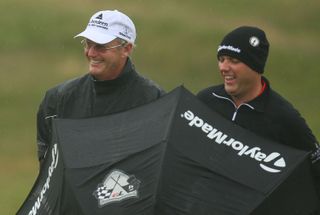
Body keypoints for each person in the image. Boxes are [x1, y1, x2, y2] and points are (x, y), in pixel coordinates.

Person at [197, 26, 320, 211]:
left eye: (233, 60)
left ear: (255, 66)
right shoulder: (206, 100)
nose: (224, 67)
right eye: (221, 59)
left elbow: (315, 168)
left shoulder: (283, 117)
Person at [36, 9, 165, 163]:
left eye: (100, 46)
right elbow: (49, 169)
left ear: (126, 49)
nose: (91, 53)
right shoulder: (57, 99)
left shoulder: (155, 100)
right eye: (88, 44)